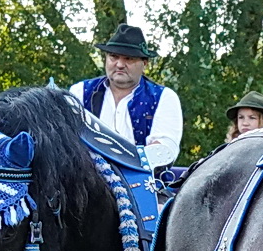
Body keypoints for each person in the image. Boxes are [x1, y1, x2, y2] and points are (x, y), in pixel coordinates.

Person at [69, 23, 184, 167]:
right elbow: (67, 141)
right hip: (86, 179)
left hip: (144, 183)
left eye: (128, 58)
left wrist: (120, 162)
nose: (119, 64)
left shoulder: (164, 98)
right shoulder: (80, 92)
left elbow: (164, 151)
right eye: (114, 56)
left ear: (144, 63)